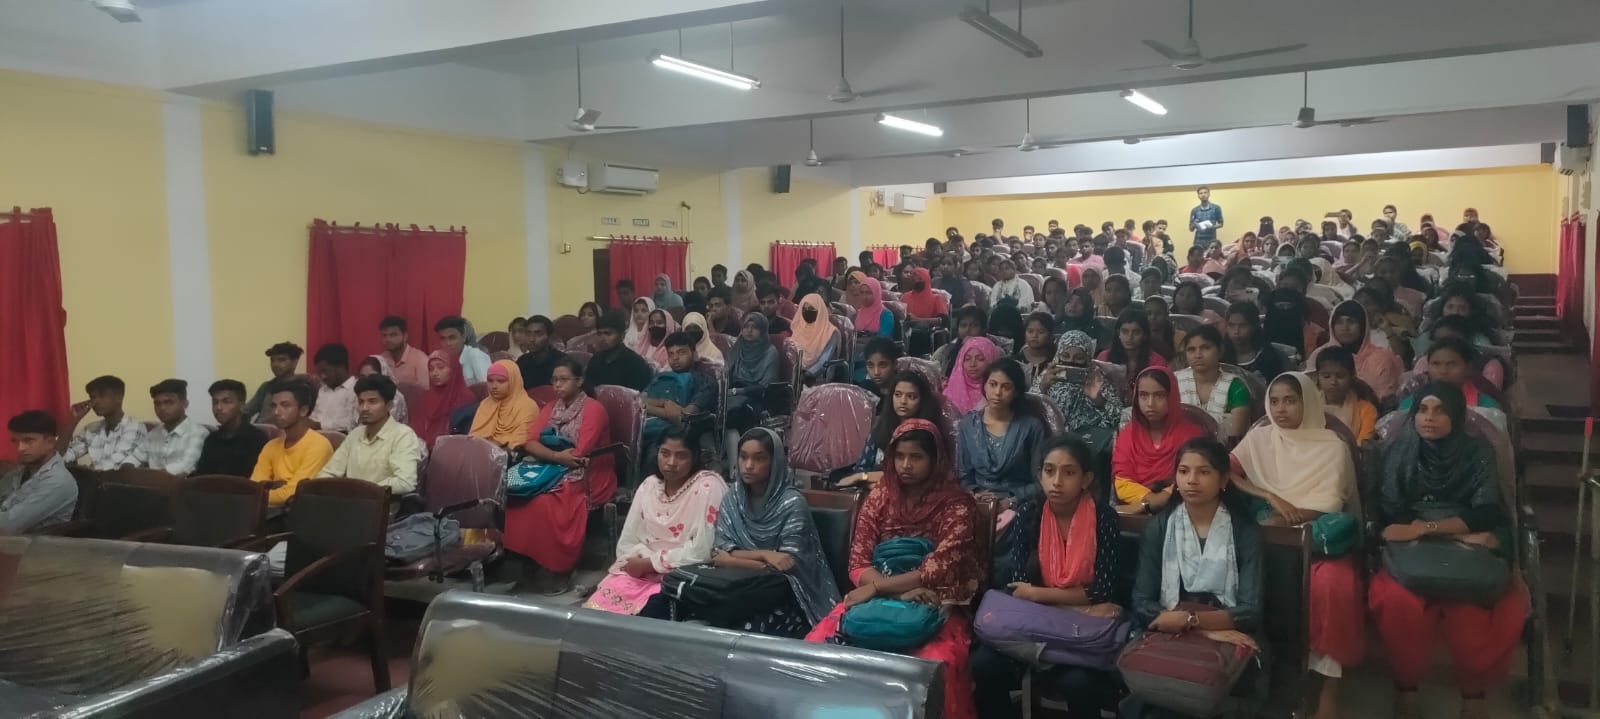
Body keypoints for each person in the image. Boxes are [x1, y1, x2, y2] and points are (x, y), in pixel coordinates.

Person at [804, 419, 981, 719]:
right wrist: (895, 593)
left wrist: (876, 588)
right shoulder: (880, 496)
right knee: (818, 647)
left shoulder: (956, 504)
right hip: (879, 599)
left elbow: (936, 570)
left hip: (935, 599)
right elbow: (858, 561)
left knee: (935, 666)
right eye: (899, 456)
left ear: (935, 459)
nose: (905, 465)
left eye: (916, 457)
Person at [1369, 384, 1526, 719]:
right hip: (1417, 544)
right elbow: (1392, 509)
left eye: (1440, 410)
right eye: (1423, 410)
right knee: (1399, 603)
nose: (1430, 418)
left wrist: (1429, 529)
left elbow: (1486, 510)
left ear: (1456, 415)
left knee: (1474, 610)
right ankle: (1406, 691)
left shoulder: (1478, 451)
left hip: (1461, 538)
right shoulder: (1400, 450)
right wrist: (1418, 531)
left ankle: (1473, 697)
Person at [1228, 373, 1365, 718]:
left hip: (1319, 537)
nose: (1281, 409)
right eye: (1274, 401)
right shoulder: (1259, 438)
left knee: (1333, 586)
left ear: (1308, 402)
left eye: (1290, 400)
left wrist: (1288, 518)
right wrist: (1267, 495)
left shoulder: (1332, 445)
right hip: (1268, 533)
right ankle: (1267, 678)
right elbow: (1220, 469)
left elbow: (1330, 502)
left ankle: (1328, 688)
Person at [971, 435, 1125, 719]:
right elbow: (1019, 588)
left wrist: (1038, 595)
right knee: (983, 664)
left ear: (1086, 479)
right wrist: (1076, 604)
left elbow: (1103, 590)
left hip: (1079, 634)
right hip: (1034, 627)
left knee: (1078, 683)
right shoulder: (1029, 514)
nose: (1056, 481)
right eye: (1049, 471)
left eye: (1068, 473)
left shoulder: (1103, 518)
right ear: (1039, 474)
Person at [1125, 437, 1265, 719]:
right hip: (1170, 632)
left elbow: (1250, 611)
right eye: (1184, 471)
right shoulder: (1159, 527)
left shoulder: (1244, 531)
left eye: (1204, 472)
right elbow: (1142, 602)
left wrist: (1190, 621)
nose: (1191, 480)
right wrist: (1198, 628)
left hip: (1231, 635)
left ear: (1223, 479)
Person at [705, 428, 842, 637]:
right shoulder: (733, 499)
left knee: (744, 630)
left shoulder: (792, 503)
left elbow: (786, 566)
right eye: (743, 457)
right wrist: (765, 555)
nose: (748, 465)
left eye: (759, 458)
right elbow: (719, 552)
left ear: (774, 462)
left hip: (790, 595)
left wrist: (731, 559)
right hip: (737, 587)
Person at [506, 357, 616, 595]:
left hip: (590, 472)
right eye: (554, 380)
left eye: (564, 379)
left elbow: (580, 453)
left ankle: (561, 567)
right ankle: (530, 564)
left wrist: (552, 455)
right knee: (518, 493)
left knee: (548, 501)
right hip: (553, 465)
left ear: (580, 381)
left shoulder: (594, 410)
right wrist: (556, 456)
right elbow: (530, 442)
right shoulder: (550, 407)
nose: (557, 385)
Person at [586, 428, 726, 615]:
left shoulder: (708, 487)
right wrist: (639, 563)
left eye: (681, 456)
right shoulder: (650, 485)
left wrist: (651, 563)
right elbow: (627, 540)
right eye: (665, 453)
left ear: (695, 457)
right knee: (597, 611)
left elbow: (703, 550)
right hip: (638, 569)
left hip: (682, 573)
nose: (671, 462)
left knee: (648, 613)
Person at [1112, 367, 1209, 513]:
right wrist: (1148, 500)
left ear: (1172, 397)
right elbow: (1122, 482)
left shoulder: (1192, 435)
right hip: (1135, 511)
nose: (1150, 403)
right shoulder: (1128, 435)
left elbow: (1194, 479)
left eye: (1159, 396)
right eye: (1143, 395)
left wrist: (1151, 503)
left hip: (1183, 509)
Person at [957, 358, 1049, 511]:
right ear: (984, 386)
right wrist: (975, 493)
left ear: (1016, 392)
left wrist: (1012, 501)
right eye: (993, 384)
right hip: (979, 502)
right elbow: (964, 476)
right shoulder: (968, 424)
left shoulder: (1031, 427)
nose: (997, 393)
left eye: (1006, 387)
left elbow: (1042, 480)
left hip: (1020, 503)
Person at [315, 375, 424, 493]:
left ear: (389, 405)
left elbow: (405, 482)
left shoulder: (403, 435)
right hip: (350, 500)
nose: (364, 408)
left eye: (372, 401)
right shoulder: (355, 435)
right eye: (361, 402)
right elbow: (329, 473)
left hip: (383, 502)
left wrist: (364, 491)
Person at [843, 370, 946, 488]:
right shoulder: (881, 427)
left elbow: (909, 476)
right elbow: (861, 468)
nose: (903, 401)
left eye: (911, 396)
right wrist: (867, 482)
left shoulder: (929, 433)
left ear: (922, 400)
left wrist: (863, 477)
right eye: (898, 395)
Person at [251, 378, 334, 507]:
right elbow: (253, 488)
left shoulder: (318, 445)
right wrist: (274, 489)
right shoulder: (270, 446)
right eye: (274, 406)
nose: (276, 412)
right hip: (267, 512)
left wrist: (267, 490)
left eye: (285, 405)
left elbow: (292, 494)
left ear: (303, 410)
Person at [1307, 300, 1404, 401]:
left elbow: (1386, 399)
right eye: (1339, 322)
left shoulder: (1380, 359)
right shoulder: (1320, 355)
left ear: (1362, 326)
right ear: (1332, 326)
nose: (1345, 327)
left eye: (1351, 322)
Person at [1, 410, 78, 534]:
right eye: (15, 441)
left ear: (50, 442)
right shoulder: (19, 472)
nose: (20, 448)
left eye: (28, 441)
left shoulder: (58, 482)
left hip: (33, 544)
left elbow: (7, 527)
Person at [1035, 331, 1124, 433]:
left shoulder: (1098, 379)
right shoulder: (1048, 376)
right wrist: (1042, 388)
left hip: (1088, 437)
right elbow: (1028, 410)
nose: (1071, 361)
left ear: (1088, 359)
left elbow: (1119, 419)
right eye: (1065, 356)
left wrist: (1098, 400)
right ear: (1058, 355)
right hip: (1050, 436)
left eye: (1079, 358)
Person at [1175, 326, 1251, 442]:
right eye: (1191, 349)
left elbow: (1236, 437)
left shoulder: (1235, 387)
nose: (1198, 355)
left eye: (1205, 348)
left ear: (1220, 351)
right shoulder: (1173, 381)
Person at [62, 375, 146, 471]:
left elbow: (115, 466)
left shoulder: (134, 427)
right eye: (92, 397)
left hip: (117, 480)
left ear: (119, 397)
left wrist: (85, 470)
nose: (95, 402)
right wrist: (72, 421)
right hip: (93, 479)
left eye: (102, 396)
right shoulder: (91, 429)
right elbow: (59, 459)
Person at [195, 379, 270, 477]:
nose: (218, 407)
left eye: (226, 402)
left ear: (241, 406)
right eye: (215, 402)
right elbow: (202, 476)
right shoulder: (211, 439)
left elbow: (253, 479)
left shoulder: (256, 439)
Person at [141, 379, 209, 476]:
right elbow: (136, 457)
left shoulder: (198, 433)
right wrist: (128, 467)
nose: (162, 408)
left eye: (169, 402)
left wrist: (149, 477)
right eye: (157, 404)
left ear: (185, 404)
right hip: (148, 483)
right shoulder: (153, 434)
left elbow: (185, 466)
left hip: (180, 485)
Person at [725, 313, 780, 432]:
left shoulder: (770, 352)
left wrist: (736, 391)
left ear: (762, 330)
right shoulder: (738, 346)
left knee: (736, 415)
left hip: (758, 396)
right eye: (746, 327)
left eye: (754, 327)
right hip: (733, 393)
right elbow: (726, 372)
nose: (749, 331)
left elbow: (766, 386)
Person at [470, 360, 540, 450]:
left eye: (501, 381)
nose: (494, 386)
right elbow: (474, 436)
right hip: (481, 451)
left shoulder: (527, 406)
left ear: (513, 381)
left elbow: (520, 440)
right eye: (490, 381)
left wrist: (493, 445)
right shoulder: (486, 404)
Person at [1314, 347, 1378, 445]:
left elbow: (1362, 446)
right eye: (1326, 376)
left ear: (1352, 376)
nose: (1333, 382)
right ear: (1317, 377)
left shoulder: (1366, 410)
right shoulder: (1309, 407)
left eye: (1340, 376)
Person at [415, 350, 474, 450]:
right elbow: (419, 428)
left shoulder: (465, 397)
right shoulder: (426, 397)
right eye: (431, 369)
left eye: (441, 367)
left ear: (453, 370)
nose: (434, 373)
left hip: (454, 450)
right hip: (424, 450)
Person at [585, 310, 655, 393]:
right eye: (599, 334)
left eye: (608, 334)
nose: (602, 339)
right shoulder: (595, 360)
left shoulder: (635, 363)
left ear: (622, 335)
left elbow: (636, 396)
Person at [1100, 309, 1167, 392]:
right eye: (1125, 332)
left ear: (1145, 335)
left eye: (1136, 332)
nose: (1130, 337)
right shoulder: (1104, 357)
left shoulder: (1157, 362)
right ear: (1118, 333)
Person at [1222, 302, 1287, 382]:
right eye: (1231, 325)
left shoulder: (1269, 357)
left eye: (1243, 325)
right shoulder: (1220, 355)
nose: (1236, 331)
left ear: (1254, 326)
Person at [943, 336, 1004, 415]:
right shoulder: (947, 394)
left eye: (980, 359)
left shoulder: (1000, 392)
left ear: (991, 360)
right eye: (967, 359)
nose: (972, 364)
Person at [245, 342, 304, 422]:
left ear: (295, 362)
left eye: (281, 360)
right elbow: (247, 411)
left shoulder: (304, 387)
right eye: (272, 360)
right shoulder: (266, 386)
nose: (275, 364)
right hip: (262, 428)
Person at [308, 343, 358, 433]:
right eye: (320, 373)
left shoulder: (355, 389)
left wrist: (320, 425)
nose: (322, 377)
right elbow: (314, 417)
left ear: (340, 367)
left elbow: (352, 423)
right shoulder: (323, 390)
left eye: (325, 371)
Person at [791, 294, 840, 382]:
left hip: (818, 377)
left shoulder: (830, 332)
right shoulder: (800, 327)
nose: (807, 311)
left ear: (820, 310)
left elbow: (824, 361)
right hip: (796, 373)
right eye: (804, 308)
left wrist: (807, 375)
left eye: (811, 308)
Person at [435, 315, 491, 385]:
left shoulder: (475, 356)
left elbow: (487, 387)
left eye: (452, 338)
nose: (447, 343)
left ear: (463, 337)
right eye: (443, 339)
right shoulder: (440, 358)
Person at [515, 315, 567, 389]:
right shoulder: (521, 362)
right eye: (528, 333)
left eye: (538, 334)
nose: (532, 339)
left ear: (550, 336)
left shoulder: (564, 362)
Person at [376, 316, 430, 386]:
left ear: (405, 336)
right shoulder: (381, 359)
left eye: (393, 335)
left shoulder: (420, 359)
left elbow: (426, 390)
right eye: (384, 335)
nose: (388, 339)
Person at [358, 357, 410, 423]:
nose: (367, 381)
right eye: (363, 378)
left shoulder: (395, 397)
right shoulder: (360, 395)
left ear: (382, 374)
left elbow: (384, 425)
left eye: (372, 376)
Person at [1015, 312, 1056, 388]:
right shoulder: (1016, 360)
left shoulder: (1055, 361)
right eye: (1030, 331)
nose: (1034, 336)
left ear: (1050, 335)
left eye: (1041, 332)